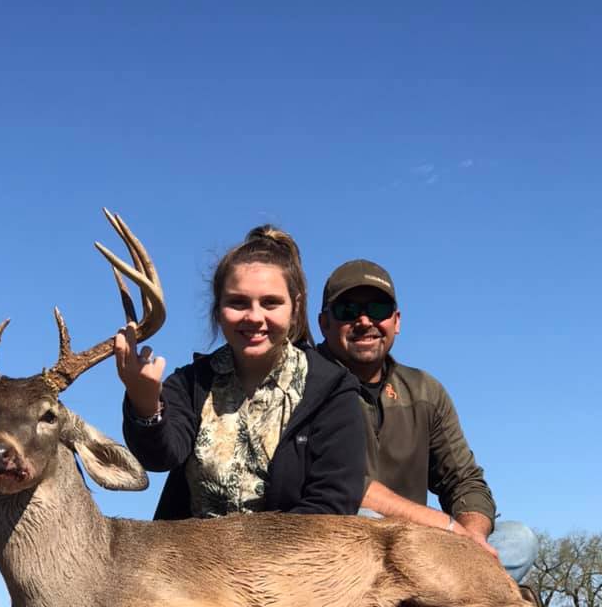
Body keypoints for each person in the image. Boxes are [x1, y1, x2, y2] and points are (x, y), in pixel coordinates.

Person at [116, 226, 367, 519]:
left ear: (295, 308)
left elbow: (332, 504)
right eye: (238, 303)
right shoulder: (191, 383)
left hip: (297, 548)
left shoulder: (332, 390)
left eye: (271, 302)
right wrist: (145, 405)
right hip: (190, 548)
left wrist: (252, 549)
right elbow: (159, 457)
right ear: (218, 309)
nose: (255, 317)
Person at [317, 258, 538, 585]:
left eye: (378, 309)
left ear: (396, 321)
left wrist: (471, 538)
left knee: (519, 540)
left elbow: (465, 481)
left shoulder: (424, 390)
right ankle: (456, 597)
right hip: (342, 547)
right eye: (348, 310)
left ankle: (435, 598)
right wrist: (445, 528)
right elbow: (348, 488)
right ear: (324, 323)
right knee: (365, 527)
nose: (364, 321)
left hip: (423, 548)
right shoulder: (307, 382)